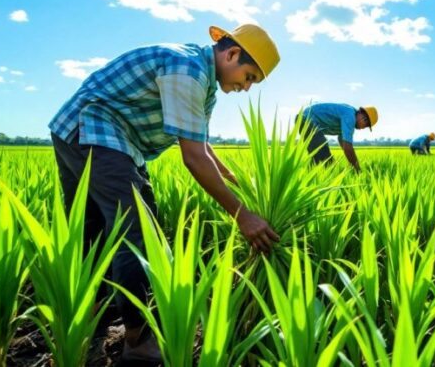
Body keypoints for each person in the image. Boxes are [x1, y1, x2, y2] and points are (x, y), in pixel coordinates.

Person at [48, 24, 281, 362]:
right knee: (137, 232)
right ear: (231, 54)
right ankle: (138, 341)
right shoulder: (187, 70)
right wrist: (242, 215)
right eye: (248, 77)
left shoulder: (204, 82)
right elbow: (193, 158)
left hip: (105, 138)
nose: (245, 88)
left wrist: (231, 178)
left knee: (101, 231)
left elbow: (199, 143)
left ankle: (92, 316)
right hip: (93, 129)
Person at [298, 103, 378, 172]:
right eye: (365, 125)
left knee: (317, 160)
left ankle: (307, 181)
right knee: (327, 161)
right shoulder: (350, 116)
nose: (362, 128)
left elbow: (343, 141)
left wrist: (351, 164)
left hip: (305, 120)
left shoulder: (349, 117)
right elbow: (348, 148)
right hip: (306, 119)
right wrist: (357, 170)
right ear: (362, 116)